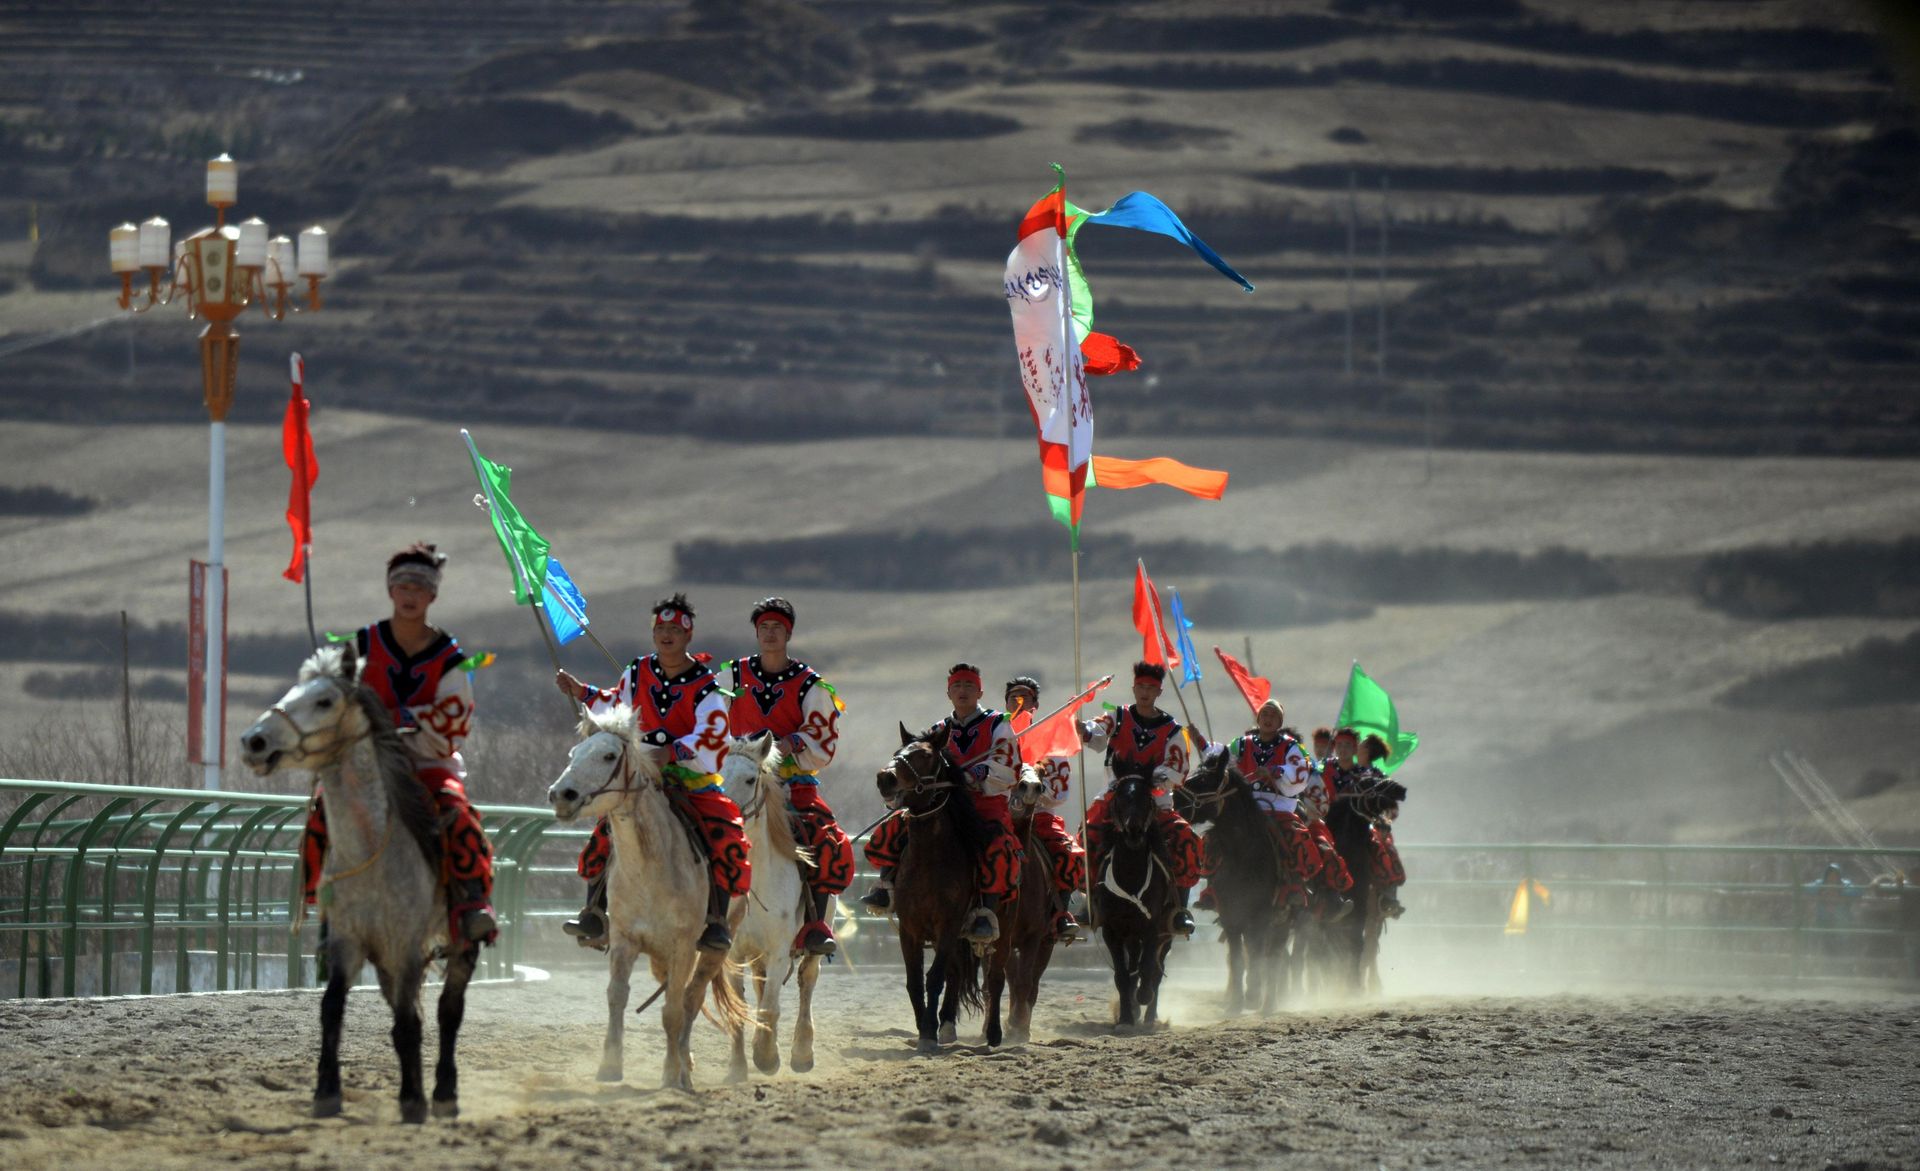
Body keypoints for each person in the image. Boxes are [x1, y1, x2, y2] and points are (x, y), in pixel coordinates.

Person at [299, 544, 496, 945]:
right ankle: (320, 900)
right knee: (323, 809)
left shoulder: (450, 658)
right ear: (391, 591)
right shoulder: (361, 646)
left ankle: (472, 906)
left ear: (433, 596)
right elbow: (335, 701)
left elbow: (456, 718)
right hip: (366, 761)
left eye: (420, 587)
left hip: (427, 762)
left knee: (458, 816)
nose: (410, 594)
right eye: (402, 585)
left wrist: (406, 720)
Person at [554, 593, 747, 954]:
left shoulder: (706, 685)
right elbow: (617, 704)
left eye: (675, 629)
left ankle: (716, 920)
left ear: (689, 636)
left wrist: (670, 752)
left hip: (690, 779)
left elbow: (713, 734)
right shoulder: (637, 671)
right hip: (641, 778)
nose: (667, 635)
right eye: (662, 629)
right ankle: (594, 911)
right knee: (606, 831)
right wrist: (581, 691)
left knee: (724, 835)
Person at [724, 597, 854, 957]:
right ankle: (701, 916)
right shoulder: (730, 676)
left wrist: (788, 744)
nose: (769, 633)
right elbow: (706, 720)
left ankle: (815, 926)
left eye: (776, 627)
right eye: (763, 627)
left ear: (789, 633)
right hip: (739, 780)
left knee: (828, 843)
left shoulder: (811, 684)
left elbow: (824, 743)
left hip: (792, 785)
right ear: (756, 632)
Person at [862, 664, 1023, 945]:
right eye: (957, 686)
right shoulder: (937, 730)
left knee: (996, 847)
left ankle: (986, 911)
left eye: (969, 686)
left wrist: (979, 773)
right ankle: (886, 885)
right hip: (944, 802)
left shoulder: (998, 724)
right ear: (949, 692)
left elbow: (1010, 765)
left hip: (984, 802)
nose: (963, 691)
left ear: (980, 691)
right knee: (895, 826)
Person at [1078, 661, 1204, 937]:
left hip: (1156, 801)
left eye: (1151, 688)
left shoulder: (1172, 729)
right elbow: (1096, 734)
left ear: (1159, 691)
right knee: (1085, 836)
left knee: (1186, 840)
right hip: (1115, 798)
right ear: (1134, 689)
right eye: (1141, 687)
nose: (1145, 692)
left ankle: (1180, 909)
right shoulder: (1117, 716)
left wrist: (1147, 777)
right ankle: (1092, 902)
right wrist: (1082, 730)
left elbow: (1177, 768)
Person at [1198, 698, 1319, 913]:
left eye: (1273, 716)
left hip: (1278, 807)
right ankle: (1212, 888)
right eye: (1265, 714)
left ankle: (1294, 885)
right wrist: (1200, 742)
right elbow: (1220, 758)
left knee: (1296, 837)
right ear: (1258, 718)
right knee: (1214, 837)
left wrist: (1276, 771)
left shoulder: (1291, 746)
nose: (1268, 719)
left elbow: (1302, 769)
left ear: (1280, 721)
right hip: (1245, 808)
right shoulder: (1241, 743)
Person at [1004, 676, 1086, 941]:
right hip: (999, 814)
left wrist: (1032, 797)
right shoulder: (994, 736)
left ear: (1035, 705)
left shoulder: (1053, 742)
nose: (1018, 702)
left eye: (1024, 697)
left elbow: (1060, 790)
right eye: (1013, 697)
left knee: (1068, 854)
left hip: (1039, 817)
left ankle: (1061, 913)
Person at [1357, 732, 1406, 917]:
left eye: (1360, 745)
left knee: (1387, 853)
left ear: (1367, 751)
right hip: (1345, 820)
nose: (1356, 748)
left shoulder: (1380, 777)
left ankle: (1388, 898)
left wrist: (1384, 821)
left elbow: (1392, 809)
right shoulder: (1345, 771)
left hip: (1373, 825)